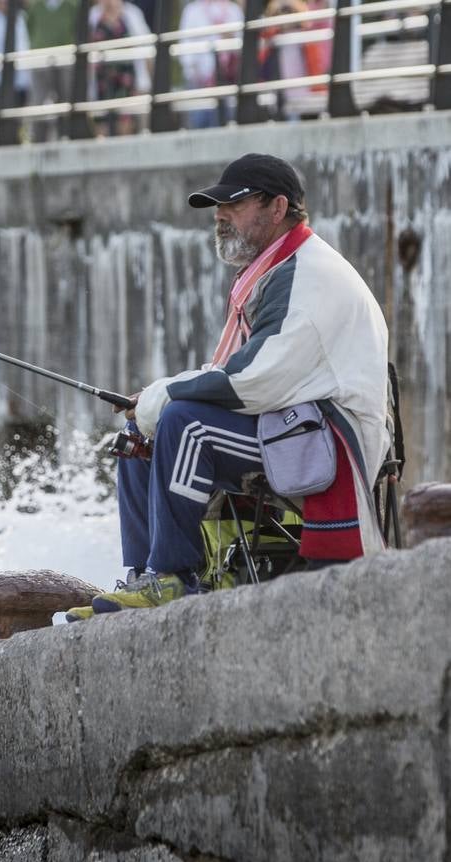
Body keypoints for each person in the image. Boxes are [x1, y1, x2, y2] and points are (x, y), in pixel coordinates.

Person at [84, 154, 389, 615]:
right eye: (218, 207)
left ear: (278, 207)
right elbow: (238, 370)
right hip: (291, 424)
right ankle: (144, 574)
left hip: (329, 442)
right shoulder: (274, 269)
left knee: (187, 424)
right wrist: (154, 401)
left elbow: (254, 379)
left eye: (235, 204)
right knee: (138, 437)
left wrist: (166, 394)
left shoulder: (306, 273)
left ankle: (173, 576)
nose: (220, 216)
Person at [88, 0, 151, 136]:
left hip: (127, 81)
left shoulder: (132, 14)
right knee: (102, 126)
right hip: (101, 83)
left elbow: (148, 49)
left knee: (126, 126)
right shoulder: (93, 15)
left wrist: (146, 84)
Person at [177, 0, 243, 128]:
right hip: (200, 83)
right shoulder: (193, 10)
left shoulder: (233, 10)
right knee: (199, 124)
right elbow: (185, 50)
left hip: (229, 81)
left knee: (230, 122)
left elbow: (243, 47)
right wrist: (195, 75)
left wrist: (230, 37)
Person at [25, 0, 81, 141]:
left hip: (65, 58)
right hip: (40, 59)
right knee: (39, 100)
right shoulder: (36, 7)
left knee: (66, 98)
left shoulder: (71, 6)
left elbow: (76, 29)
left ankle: (66, 134)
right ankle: (38, 138)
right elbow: (30, 29)